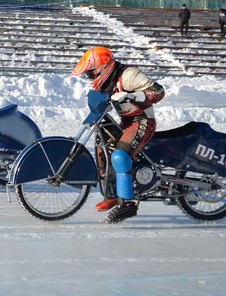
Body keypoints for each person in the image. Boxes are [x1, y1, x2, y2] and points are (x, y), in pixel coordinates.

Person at [71, 46, 165, 223]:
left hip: (142, 121)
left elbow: (158, 91)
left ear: (103, 69)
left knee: (120, 156)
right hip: (126, 123)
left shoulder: (129, 75)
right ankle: (113, 195)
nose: (90, 78)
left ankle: (128, 204)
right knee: (102, 149)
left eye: (91, 74)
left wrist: (132, 97)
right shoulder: (109, 81)